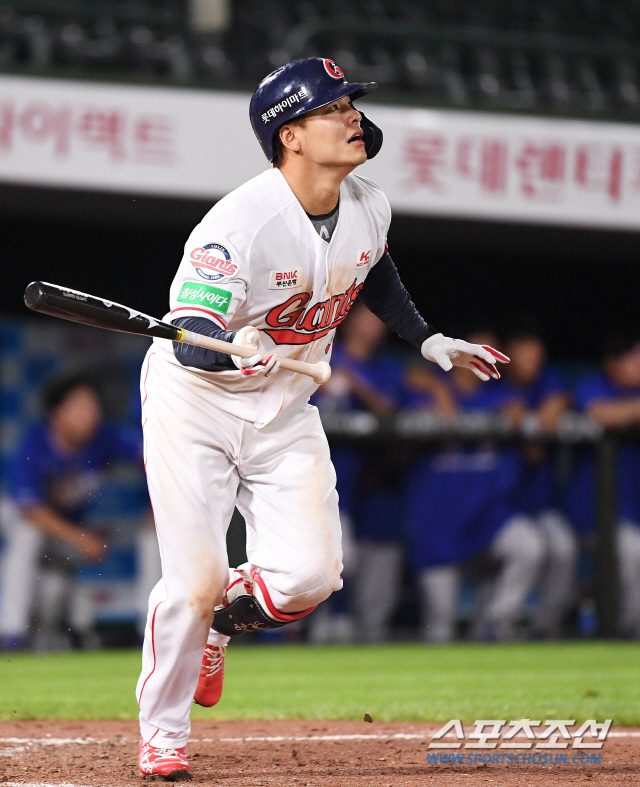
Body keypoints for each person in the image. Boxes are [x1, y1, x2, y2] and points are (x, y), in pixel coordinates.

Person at [136, 57, 509, 781]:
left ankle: (221, 620)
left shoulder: (368, 203)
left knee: (311, 577)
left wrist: (426, 338)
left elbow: (372, 269)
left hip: (283, 410)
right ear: (291, 135)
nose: (351, 115)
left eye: (350, 103)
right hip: (196, 404)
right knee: (193, 578)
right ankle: (164, 734)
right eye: (333, 106)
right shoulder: (239, 224)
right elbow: (189, 336)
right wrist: (230, 352)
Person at [405, 331, 543, 642]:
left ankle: (499, 620)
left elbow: (522, 421)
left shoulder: (501, 395)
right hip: (438, 522)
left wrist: (515, 412)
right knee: (441, 626)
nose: (483, 357)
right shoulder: (427, 388)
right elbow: (410, 396)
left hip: (486, 519)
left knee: (529, 545)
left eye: (488, 351)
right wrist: (436, 391)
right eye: (476, 350)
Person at [0, 374, 143, 650]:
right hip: (25, 523)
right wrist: (81, 538)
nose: (91, 414)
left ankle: (45, 638)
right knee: (28, 535)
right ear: (57, 414)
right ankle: (10, 634)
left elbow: (149, 454)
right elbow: (30, 509)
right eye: (80, 406)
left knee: (52, 588)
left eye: (93, 406)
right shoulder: (35, 442)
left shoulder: (104, 438)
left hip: (63, 535)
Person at [500, 328, 575, 638]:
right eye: (526, 354)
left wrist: (560, 402)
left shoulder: (547, 383)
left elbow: (567, 394)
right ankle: (500, 624)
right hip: (498, 504)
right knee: (529, 547)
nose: (533, 362)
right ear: (509, 351)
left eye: (537, 356)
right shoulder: (492, 381)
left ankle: (547, 625)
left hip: (536, 504)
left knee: (563, 547)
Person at [568, 334, 640, 637]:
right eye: (635, 357)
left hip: (633, 509)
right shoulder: (592, 386)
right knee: (632, 551)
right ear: (613, 362)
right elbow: (600, 413)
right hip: (597, 512)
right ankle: (626, 635)